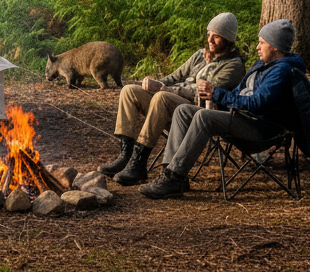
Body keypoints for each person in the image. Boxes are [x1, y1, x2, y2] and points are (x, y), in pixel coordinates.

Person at [139, 18, 302, 199]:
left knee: (204, 117)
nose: (257, 47)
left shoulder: (281, 72)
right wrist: (221, 100)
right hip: (245, 118)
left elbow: (257, 103)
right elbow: (240, 93)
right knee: (183, 110)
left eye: (262, 43)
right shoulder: (264, 66)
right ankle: (172, 175)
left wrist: (218, 95)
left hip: (260, 130)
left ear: (275, 47)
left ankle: (173, 177)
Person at [98, 12, 245, 186]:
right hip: (169, 105)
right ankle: (126, 155)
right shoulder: (200, 55)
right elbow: (175, 77)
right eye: (208, 35)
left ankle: (139, 161)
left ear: (228, 40)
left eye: (217, 37)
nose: (210, 40)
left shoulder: (234, 65)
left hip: (196, 114)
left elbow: (202, 94)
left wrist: (162, 88)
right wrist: (150, 83)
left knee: (162, 97)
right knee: (130, 91)